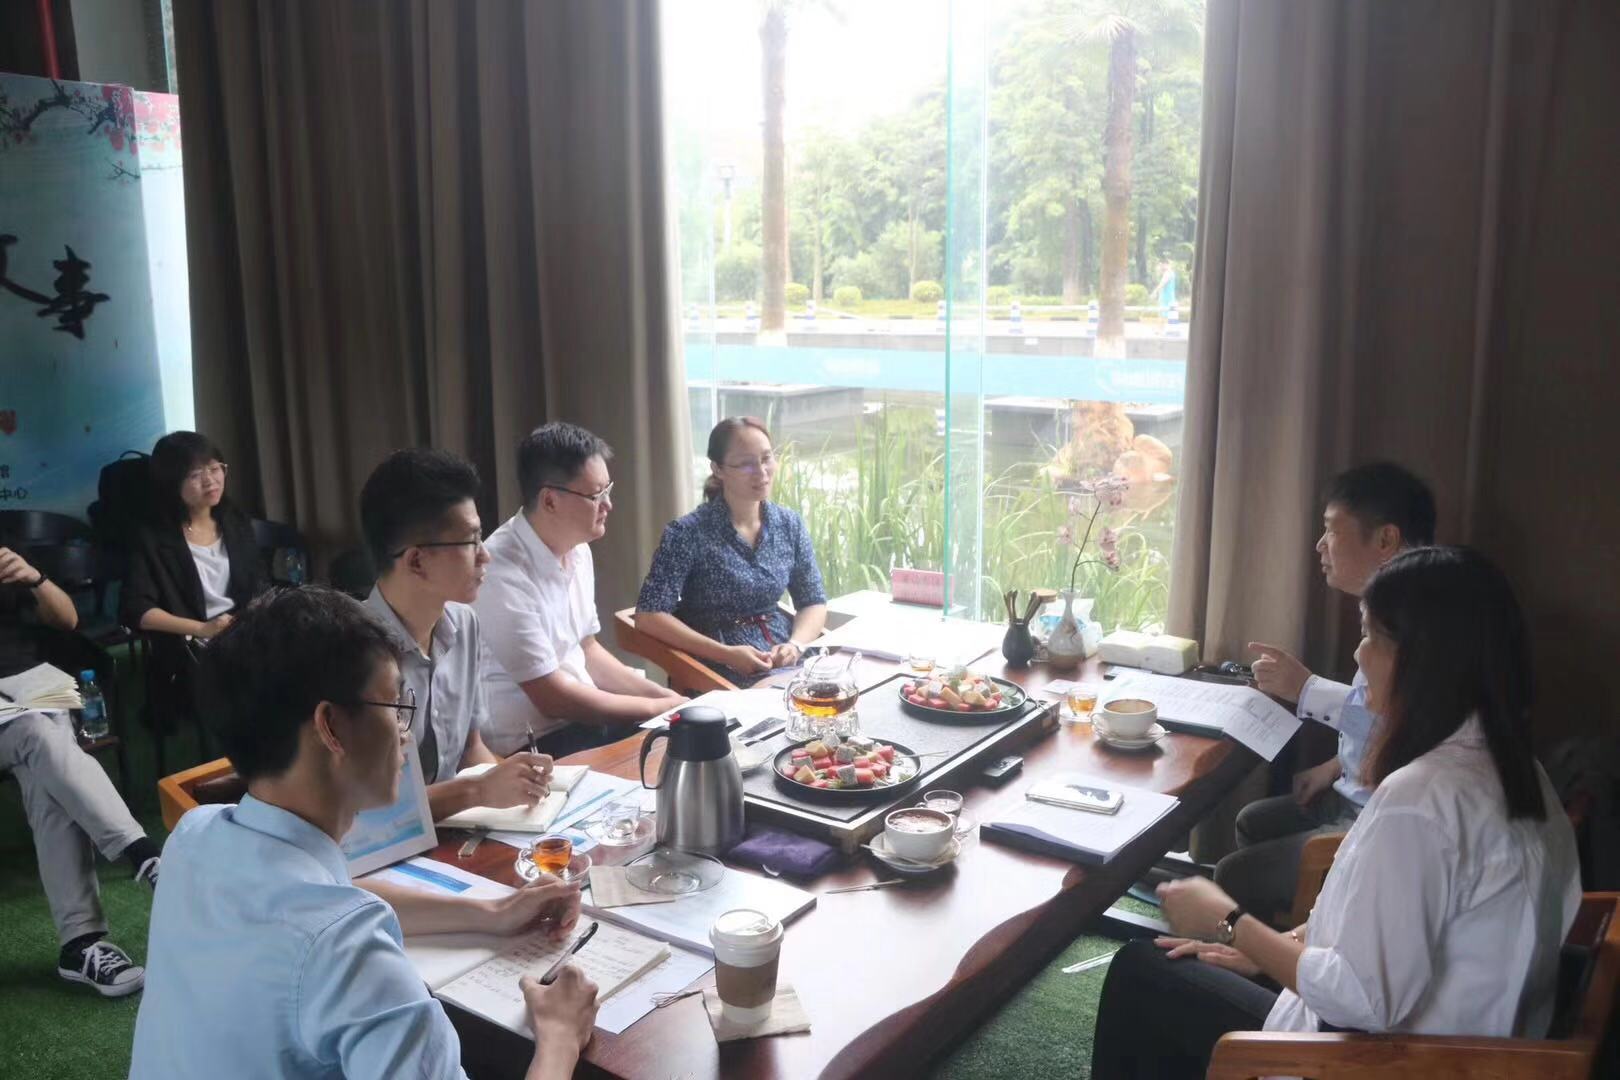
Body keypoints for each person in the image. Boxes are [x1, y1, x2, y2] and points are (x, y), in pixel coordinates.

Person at [1091, 546, 1582, 1078]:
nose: (1358, 655)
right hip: (1476, 1051)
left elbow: (1362, 1000)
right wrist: (1275, 947)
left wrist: (1231, 923)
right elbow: (1387, 925)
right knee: (1177, 970)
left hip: (1385, 1062)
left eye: (1370, 636)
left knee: (1142, 970)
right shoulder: (1517, 770)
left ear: (1422, 659)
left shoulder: (1420, 801)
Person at [130, 586, 598, 1079]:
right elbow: (330, 925)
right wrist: (560, 1037)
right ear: (331, 727)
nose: (404, 732)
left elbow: (325, 899)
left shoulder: (194, 836)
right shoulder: (349, 951)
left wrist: (494, 913)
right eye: (394, 705)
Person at [1214, 462, 1436, 922]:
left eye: (1332, 530)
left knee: (1233, 875)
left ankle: (1286, 945)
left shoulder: (1423, 615)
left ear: (1386, 539)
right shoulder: (1389, 601)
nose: (1320, 545)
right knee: (1253, 821)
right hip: (1356, 791)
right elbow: (1380, 719)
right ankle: (1293, 928)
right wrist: (1336, 765)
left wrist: (1306, 689)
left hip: (1376, 819)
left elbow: (1407, 725)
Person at [357, 448, 554, 820]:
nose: (485, 555)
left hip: (455, 830)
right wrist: (478, 790)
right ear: (417, 561)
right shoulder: (353, 653)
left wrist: (517, 782)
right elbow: (369, 813)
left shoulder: (464, 625)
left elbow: (470, 751)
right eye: (471, 541)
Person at [0, 544, 161, 996]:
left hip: (28, 691)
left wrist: (34, 578)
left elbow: (67, 620)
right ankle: (144, 855)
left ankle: (80, 945)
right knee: (39, 736)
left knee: (43, 758)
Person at [473, 423, 684, 758]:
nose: (608, 505)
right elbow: (551, 697)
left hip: (584, 723)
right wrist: (654, 708)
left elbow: (588, 650)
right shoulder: (500, 571)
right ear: (550, 500)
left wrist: (665, 699)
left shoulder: (578, 549)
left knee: (691, 740)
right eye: (596, 495)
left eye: (608, 490)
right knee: (668, 754)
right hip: (534, 746)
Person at [635, 417, 828, 684]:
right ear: (718, 469)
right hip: (718, 663)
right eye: (746, 464)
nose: (761, 472)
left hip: (785, 653)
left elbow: (813, 601)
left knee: (839, 686)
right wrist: (726, 654)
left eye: (766, 458)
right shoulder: (686, 533)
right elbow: (649, 615)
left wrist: (795, 645)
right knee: (792, 698)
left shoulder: (788, 524)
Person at [120, 431, 268, 726]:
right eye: (195, 475)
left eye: (215, 468)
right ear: (170, 483)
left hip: (242, 631)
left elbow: (258, 583)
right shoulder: (151, 537)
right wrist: (203, 628)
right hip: (189, 644)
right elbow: (136, 609)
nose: (210, 481)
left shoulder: (234, 521)